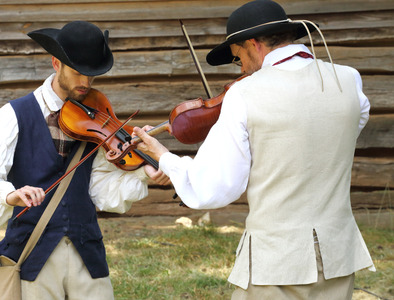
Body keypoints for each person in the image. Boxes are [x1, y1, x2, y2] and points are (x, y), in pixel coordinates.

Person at [133, 0, 375, 299]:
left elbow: (213, 186)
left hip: (276, 261)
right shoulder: (349, 80)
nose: (242, 69)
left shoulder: (244, 94)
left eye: (238, 59)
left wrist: (163, 157)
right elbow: (346, 128)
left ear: (253, 45)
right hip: (339, 255)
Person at [0, 21, 169, 299]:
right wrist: (11, 195)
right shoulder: (16, 113)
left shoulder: (96, 115)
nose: (86, 84)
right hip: (33, 253)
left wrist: (144, 173)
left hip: (86, 252)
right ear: (56, 63)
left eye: (92, 75)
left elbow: (99, 190)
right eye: (78, 73)